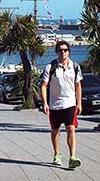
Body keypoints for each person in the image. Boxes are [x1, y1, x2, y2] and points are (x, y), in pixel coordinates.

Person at [40, 40, 83, 169]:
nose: (63, 52)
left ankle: (72, 157)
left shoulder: (75, 66)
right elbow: (43, 86)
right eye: (60, 50)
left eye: (65, 50)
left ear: (69, 51)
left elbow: (78, 85)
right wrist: (45, 103)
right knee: (55, 131)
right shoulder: (50, 67)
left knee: (71, 129)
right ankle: (57, 154)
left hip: (69, 103)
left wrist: (79, 102)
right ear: (57, 52)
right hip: (54, 104)